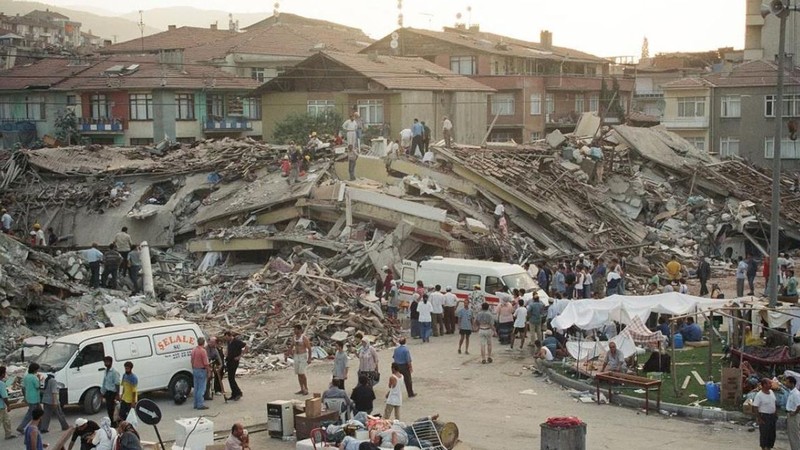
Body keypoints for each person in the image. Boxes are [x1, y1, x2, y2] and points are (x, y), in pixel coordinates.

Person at [286, 324, 311, 396]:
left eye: (295, 329)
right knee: (298, 374)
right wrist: (287, 354)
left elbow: (309, 348)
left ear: (299, 330)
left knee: (302, 373)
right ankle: (301, 388)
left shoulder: (304, 338)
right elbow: (291, 346)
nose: (294, 331)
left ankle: (306, 388)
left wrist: (309, 358)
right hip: (296, 356)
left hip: (302, 356)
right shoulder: (294, 338)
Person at [17, 363, 41, 435]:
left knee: (39, 412)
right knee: (30, 414)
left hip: (29, 397)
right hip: (34, 398)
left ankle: (40, 426)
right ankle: (21, 427)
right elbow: (37, 386)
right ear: (35, 370)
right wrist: (39, 379)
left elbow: (24, 387)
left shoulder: (26, 377)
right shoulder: (34, 377)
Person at [754, 378, 778, 450]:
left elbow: (774, 403)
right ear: (764, 385)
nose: (771, 385)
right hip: (764, 416)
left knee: (772, 434)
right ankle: (764, 448)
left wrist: (775, 413)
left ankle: (769, 447)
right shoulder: (759, 395)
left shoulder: (771, 392)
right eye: (769, 383)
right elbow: (755, 407)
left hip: (772, 416)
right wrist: (759, 418)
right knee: (764, 435)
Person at [224, 331, 246, 401]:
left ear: (230, 336)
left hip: (234, 361)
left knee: (231, 378)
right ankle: (234, 394)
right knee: (230, 378)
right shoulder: (229, 342)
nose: (226, 339)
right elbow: (228, 348)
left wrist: (240, 356)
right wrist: (226, 354)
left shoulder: (237, 341)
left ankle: (238, 392)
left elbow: (246, 347)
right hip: (229, 361)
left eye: (227, 337)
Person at [191, 337, 210, 410]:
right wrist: (209, 371)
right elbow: (206, 363)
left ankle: (195, 403)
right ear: (204, 342)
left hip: (195, 369)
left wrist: (193, 367)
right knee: (201, 388)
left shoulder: (194, 350)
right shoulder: (203, 351)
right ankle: (200, 404)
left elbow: (192, 360)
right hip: (202, 370)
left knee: (196, 387)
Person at [99, 356, 120, 424]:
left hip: (112, 393)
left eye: (107, 362)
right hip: (107, 392)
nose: (106, 363)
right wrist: (102, 393)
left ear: (111, 362)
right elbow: (104, 382)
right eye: (105, 362)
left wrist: (117, 394)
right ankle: (112, 422)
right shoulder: (106, 371)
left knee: (112, 409)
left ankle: (114, 423)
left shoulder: (114, 372)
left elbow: (117, 383)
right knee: (109, 409)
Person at [786, 376, 800, 449]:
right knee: (791, 435)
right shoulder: (791, 392)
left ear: (792, 383)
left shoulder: (796, 394)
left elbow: (799, 405)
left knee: (794, 435)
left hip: (793, 416)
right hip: (790, 414)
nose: (786, 384)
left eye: (787, 382)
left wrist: (794, 413)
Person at [0, 366, 12, 440]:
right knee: (5, 420)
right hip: (1, 406)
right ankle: (8, 434)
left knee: (7, 420)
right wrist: (9, 405)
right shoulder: (1, 384)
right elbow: (4, 396)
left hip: (1, 406)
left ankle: (8, 434)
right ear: (2, 374)